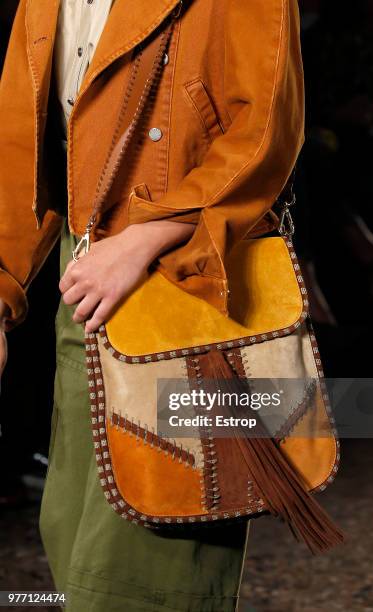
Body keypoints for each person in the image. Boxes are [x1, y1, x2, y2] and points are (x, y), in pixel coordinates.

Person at [0, 0, 305, 610]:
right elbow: (18, 142)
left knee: (151, 574)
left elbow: (265, 128)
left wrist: (149, 234)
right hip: (85, 284)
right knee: (74, 546)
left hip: (188, 284)